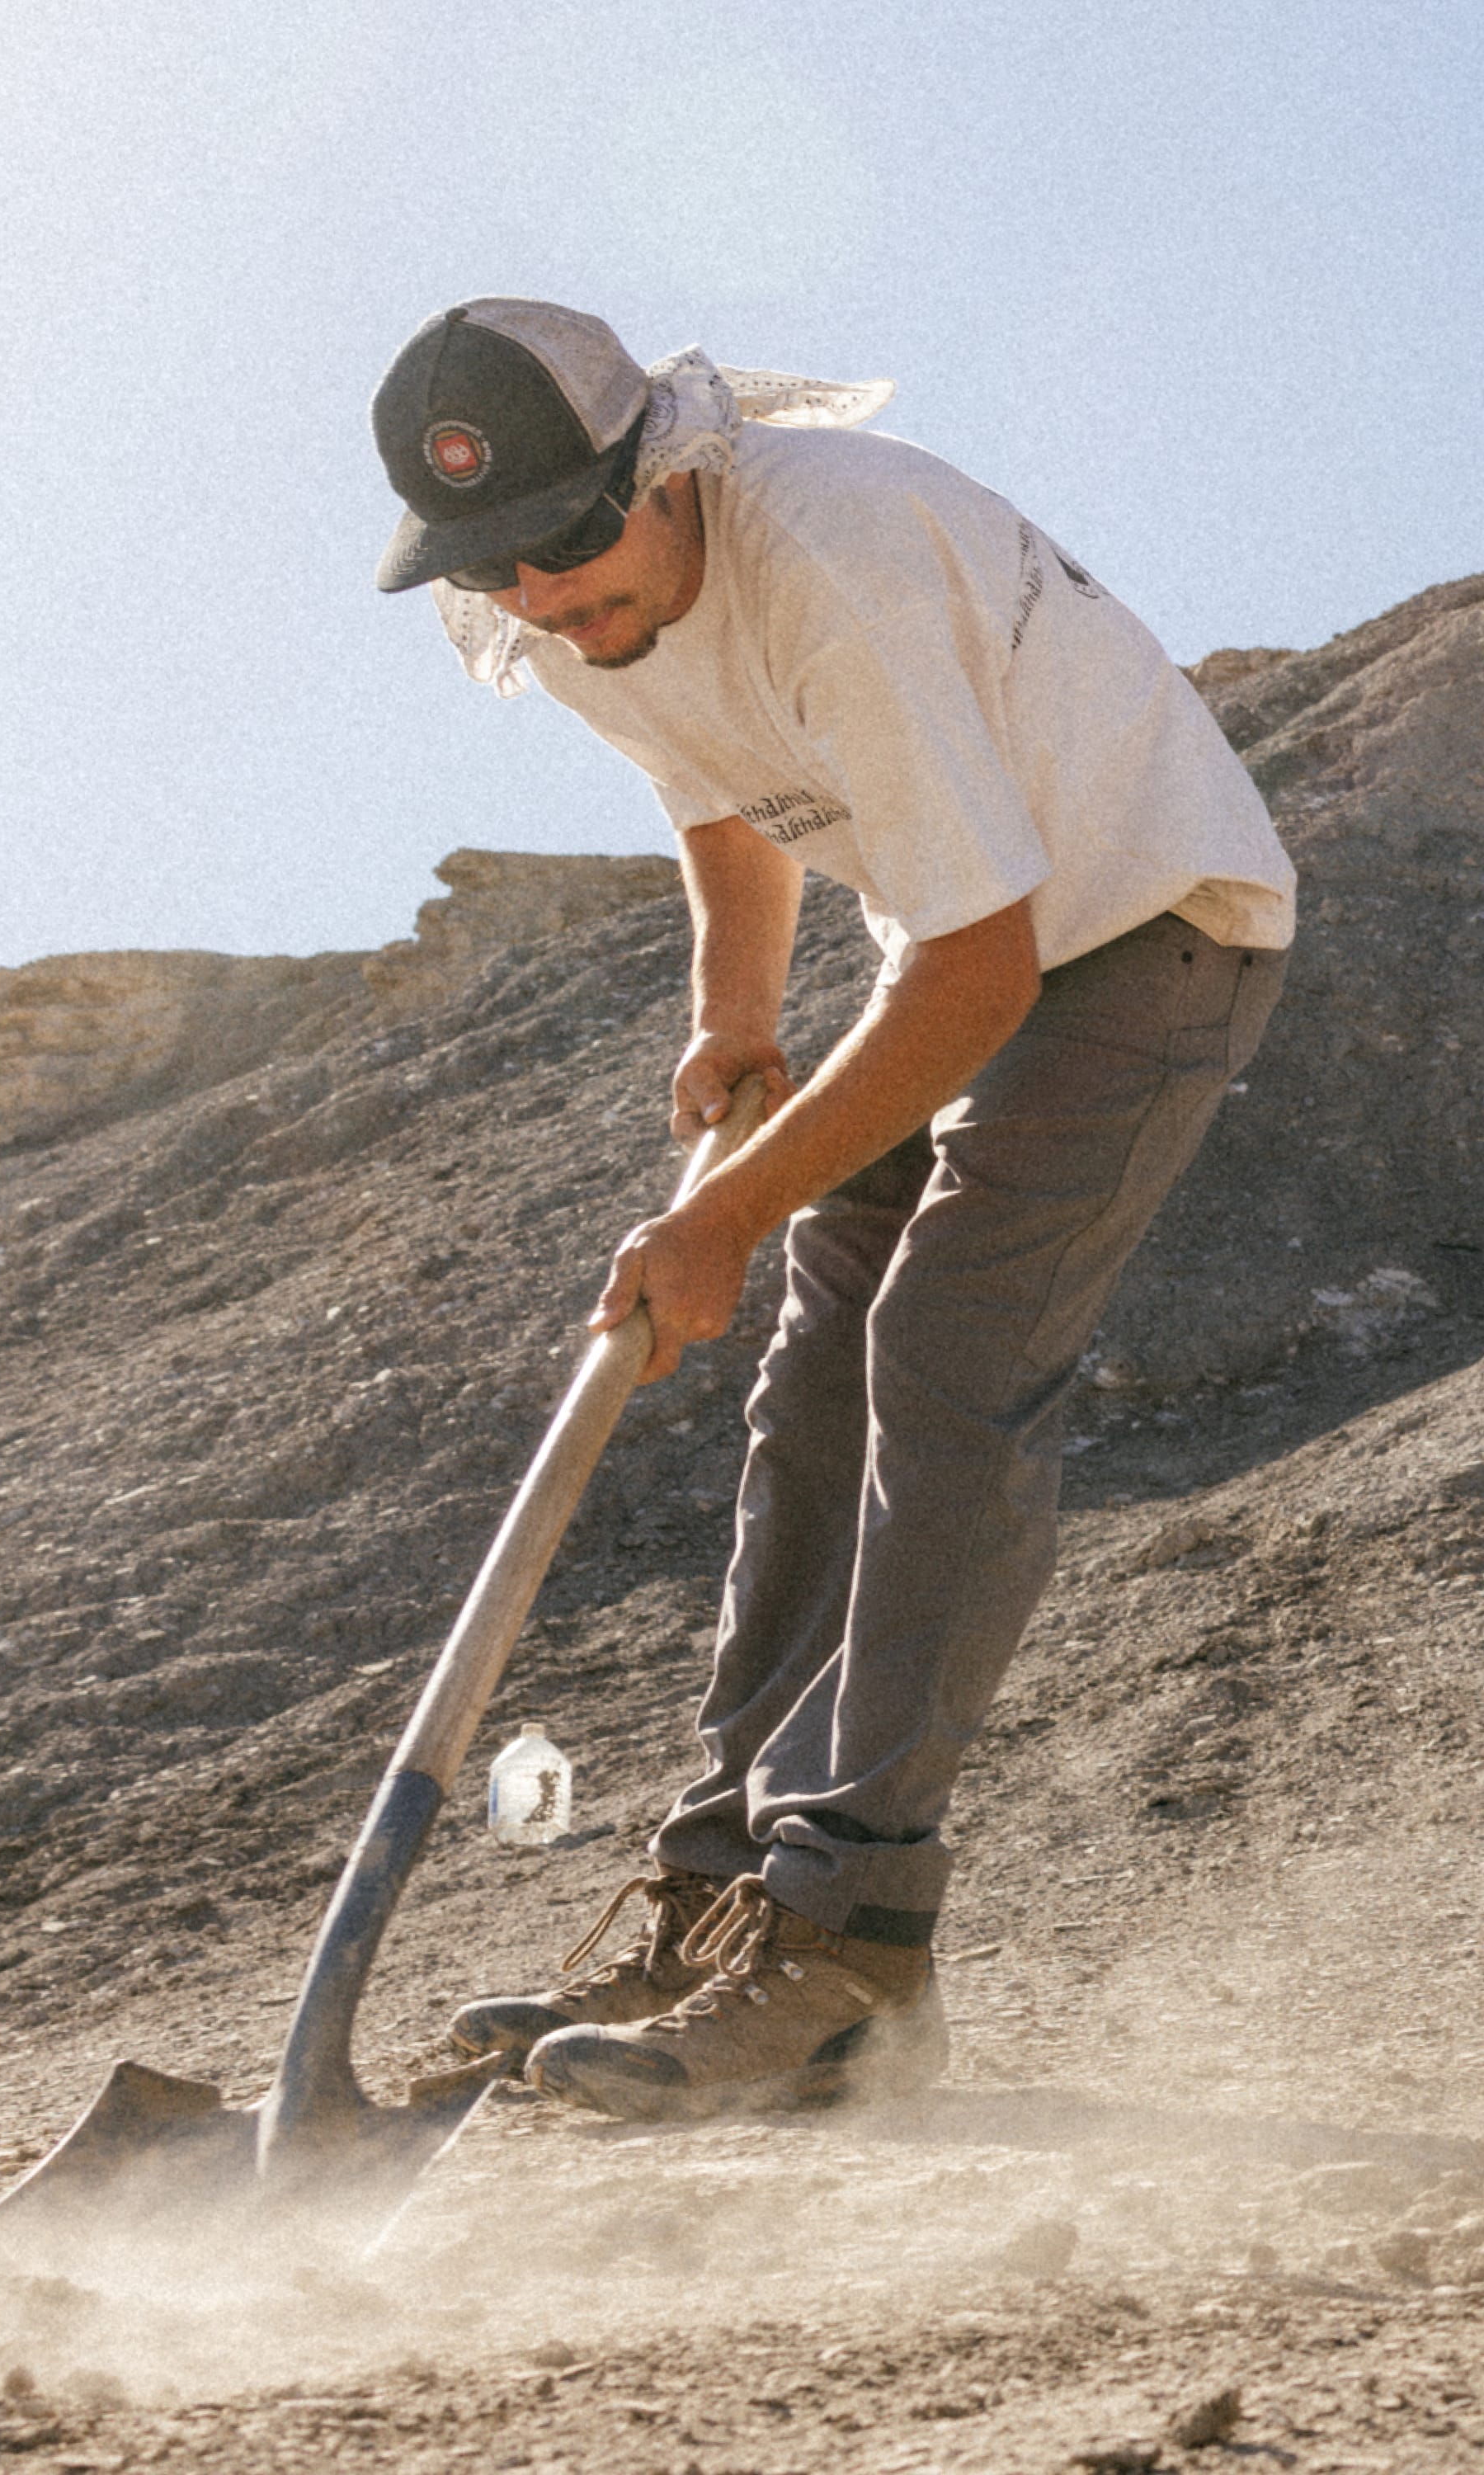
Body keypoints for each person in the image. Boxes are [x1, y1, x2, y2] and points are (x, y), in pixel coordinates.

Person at [370, 299, 1294, 2122]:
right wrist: (732, 1013)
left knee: (943, 1360)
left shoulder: (837, 566)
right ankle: (722, 1900)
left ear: (662, 467)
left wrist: (720, 1214)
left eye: (562, 540)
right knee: (811, 1397)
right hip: (946, 954)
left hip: (1145, 929)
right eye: (491, 564)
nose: (540, 595)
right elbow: (722, 805)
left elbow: (981, 972)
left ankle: (848, 1937)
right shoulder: (569, 614)